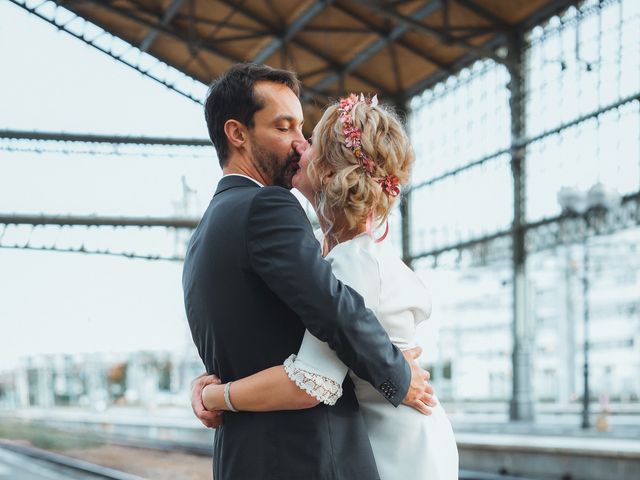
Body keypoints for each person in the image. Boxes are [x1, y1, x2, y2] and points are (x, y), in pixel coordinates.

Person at [182, 63, 435, 480]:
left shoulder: (204, 235)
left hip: (242, 459)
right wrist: (398, 374)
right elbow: (335, 310)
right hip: (309, 459)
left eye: (302, 128)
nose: (300, 144)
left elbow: (251, 341)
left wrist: (211, 392)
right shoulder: (266, 207)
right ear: (237, 134)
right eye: (284, 128)